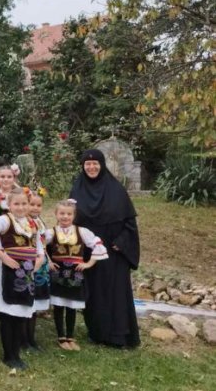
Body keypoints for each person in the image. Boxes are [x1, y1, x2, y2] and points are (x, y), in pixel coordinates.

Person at [69, 149, 140, 349]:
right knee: (94, 292)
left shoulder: (116, 190)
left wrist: (122, 241)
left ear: (102, 165)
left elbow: (129, 223)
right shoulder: (77, 189)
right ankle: (97, 332)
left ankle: (119, 335)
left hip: (113, 252)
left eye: (95, 163)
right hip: (88, 253)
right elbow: (68, 218)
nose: (91, 167)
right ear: (83, 166)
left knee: (115, 292)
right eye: (87, 164)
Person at [0, 188, 44, 372]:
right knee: (9, 313)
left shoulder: (33, 224)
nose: (20, 207)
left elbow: (40, 250)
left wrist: (37, 264)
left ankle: (16, 353)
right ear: (8, 205)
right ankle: (8, 354)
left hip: (27, 274)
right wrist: (2, 256)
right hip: (10, 271)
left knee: (21, 313)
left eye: (24, 204)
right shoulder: (4, 220)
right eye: (16, 204)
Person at [44, 199, 108, 351]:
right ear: (56, 214)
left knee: (72, 305)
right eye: (62, 213)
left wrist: (88, 264)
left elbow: (97, 246)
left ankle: (70, 336)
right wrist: (48, 262)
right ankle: (61, 337)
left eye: (68, 214)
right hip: (58, 272)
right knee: (59, 305)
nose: (65, 217)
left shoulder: (82, 232)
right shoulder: (51, 232)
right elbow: (39, 246)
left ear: (74, 215)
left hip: (76, 274)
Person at [25, 189, 50, 350]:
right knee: (27, 303)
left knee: (34, 305)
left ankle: (31, 338)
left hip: (41, 265)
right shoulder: (24, 222)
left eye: (38, 205)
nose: (35, 208)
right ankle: (23, 339)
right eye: (31, 204)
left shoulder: (40, 222)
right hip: (29, 263)